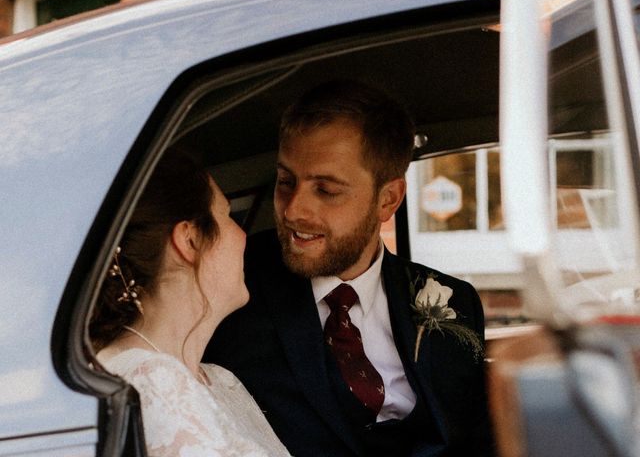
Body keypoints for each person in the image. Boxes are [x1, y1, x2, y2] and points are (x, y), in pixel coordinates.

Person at [205, 80, 494, 456]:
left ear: (388, 199)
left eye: (326, 190)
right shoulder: (230, 287)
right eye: (285, 182)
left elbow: (474, 438)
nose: (293, 210)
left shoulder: (454, 300)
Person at [90, 148, 291, 457]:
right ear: (190, 240)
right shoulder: (153, 382)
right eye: (228, 216)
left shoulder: (219, 378)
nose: (244, 236)